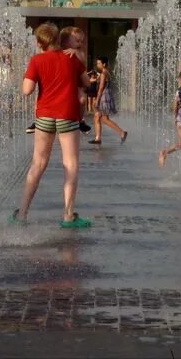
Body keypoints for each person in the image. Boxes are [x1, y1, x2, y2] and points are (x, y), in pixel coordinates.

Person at [12, 23, 91, 228]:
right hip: (67, 115)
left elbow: (27, 90)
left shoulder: (37, 60)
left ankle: (22, 213)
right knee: (70, 164)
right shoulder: (72, 59)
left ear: (39, 42)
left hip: (45, 116)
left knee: (38, 164)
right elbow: (87, 84)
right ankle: (67, 215)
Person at [27, 28, 93, 135]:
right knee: (39, 99)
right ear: (64, 41)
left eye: (81, 41)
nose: (80, 43)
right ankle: (37, 120)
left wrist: (75, 52)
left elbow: (83, 63)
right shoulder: (60, 51)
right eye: (77, 41)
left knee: (82, 100)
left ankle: (80, 120)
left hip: (77, 82)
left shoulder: (78, 53)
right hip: (63, 82)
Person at [89, 56, 126, 145]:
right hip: (107, 96)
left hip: (103, 97)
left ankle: (122, 132)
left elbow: (101, 88)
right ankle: (98, 138)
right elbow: (95, 80)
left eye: (99, 63)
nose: (97, 65)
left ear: (104, 64)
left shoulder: (103, 74)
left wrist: (97, 100)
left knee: (105, 119)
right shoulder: (106, 73)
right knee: (97, 116)